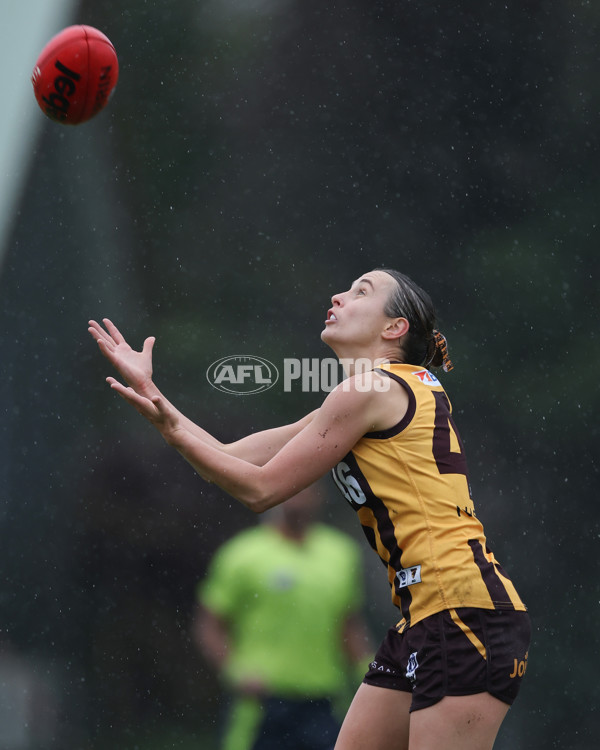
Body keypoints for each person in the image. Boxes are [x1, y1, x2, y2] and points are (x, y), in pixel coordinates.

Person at [88, 267, 531, 750]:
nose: (339, 295)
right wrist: (152, 394)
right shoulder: (373, 391)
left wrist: (170, 429)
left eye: (362, 291)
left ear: (394, 328)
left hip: (463, 613)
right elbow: (231, 455)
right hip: (425, 619)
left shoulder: (368, 391)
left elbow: (259, 489)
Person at [193, 483, 372, 750]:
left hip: (323, 701)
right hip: (262, 701)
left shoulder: (341, 554)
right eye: (291, 488)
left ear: (320, 496)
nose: (297, 497)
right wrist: (234, 671)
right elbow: (209, 625)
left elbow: (348, 625)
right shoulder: (242, 554)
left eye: (305, 488)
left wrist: (370, 674)